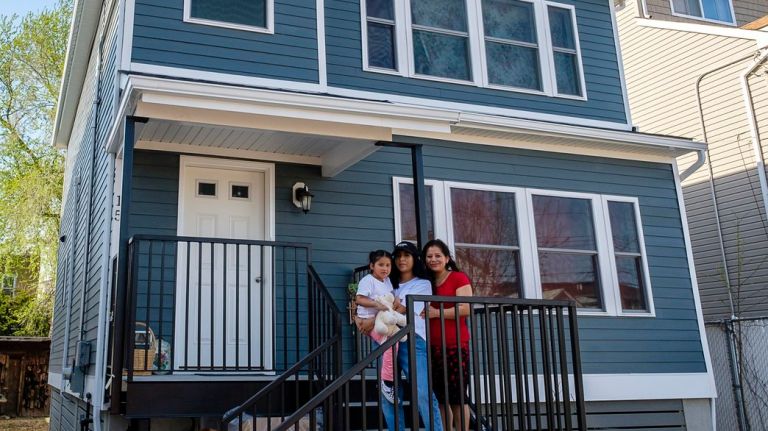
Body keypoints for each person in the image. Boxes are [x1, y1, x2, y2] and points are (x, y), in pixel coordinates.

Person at [422, 239, 473, 431]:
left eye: (437, 256)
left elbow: (466, 308)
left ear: (447, 258)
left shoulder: (458, 278)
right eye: (429, 256)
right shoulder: (426, 282)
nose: (433, 259)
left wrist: (437, 313)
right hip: (431, 347)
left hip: (455, 346)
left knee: (457, 397)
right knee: (441, 398)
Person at [355, 249, 400, 403]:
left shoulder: (386, 281)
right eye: (381, 265)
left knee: (394, 341)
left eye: (388, 265)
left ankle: (387, 380)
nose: (385, 268)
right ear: (372, 266)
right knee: (391, 342)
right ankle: (387, 383)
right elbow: (359, 299)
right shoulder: (367, 280)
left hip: (380, 319)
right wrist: (376, 304)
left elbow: (390, 298)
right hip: (368, 320)